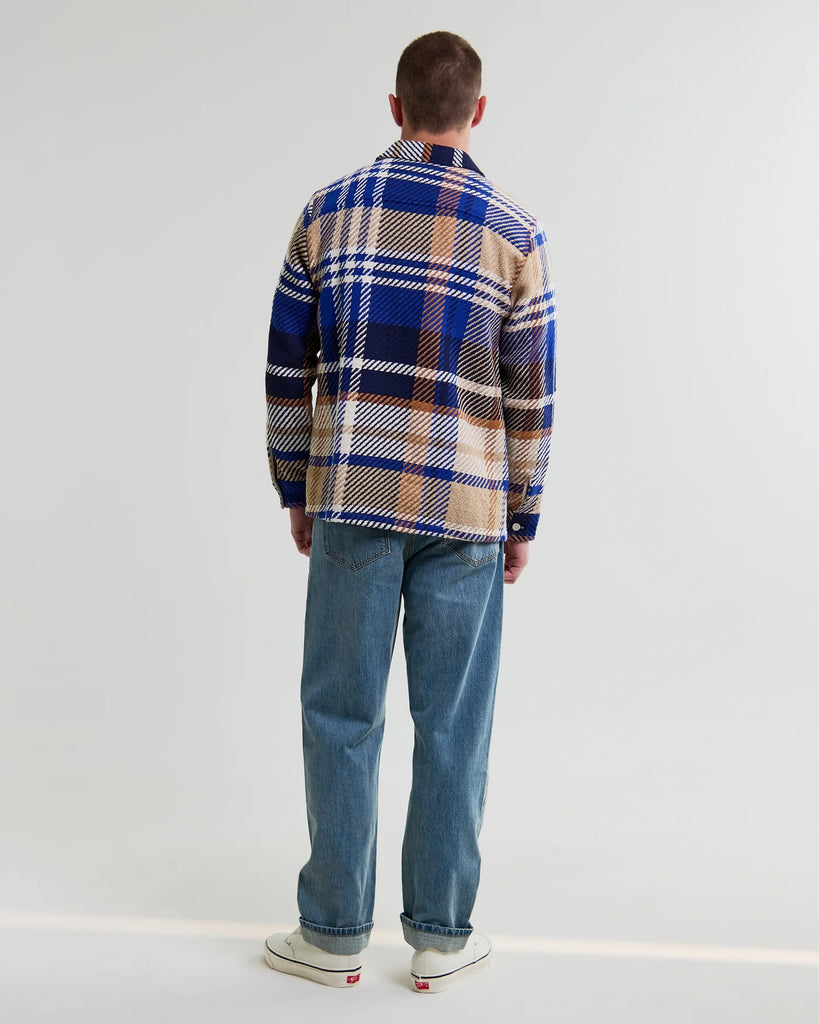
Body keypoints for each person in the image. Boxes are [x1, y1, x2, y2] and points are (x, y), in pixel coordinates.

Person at [262, 29, 557, 994]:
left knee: (339, 713)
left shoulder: (328, 212)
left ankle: (332, 936)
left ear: (394, 108)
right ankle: (439, 937)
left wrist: (295, 486)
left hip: (352, 494)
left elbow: (286, 370)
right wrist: (521, 514)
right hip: (466, 509)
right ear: (478, 111)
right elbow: (531, 395)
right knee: (453, 725)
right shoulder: (514, 233)